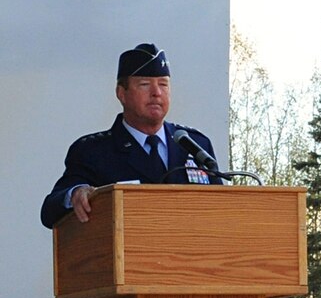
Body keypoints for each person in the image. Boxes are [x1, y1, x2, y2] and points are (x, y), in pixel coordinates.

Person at [40, 43, 222, 230]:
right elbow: (49, 211)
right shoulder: (93, 152)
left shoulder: (195, 145)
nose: (156, 93)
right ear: (121, 94)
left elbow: (222, 210)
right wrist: (75, 194)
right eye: (145, 84)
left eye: (163, 84)